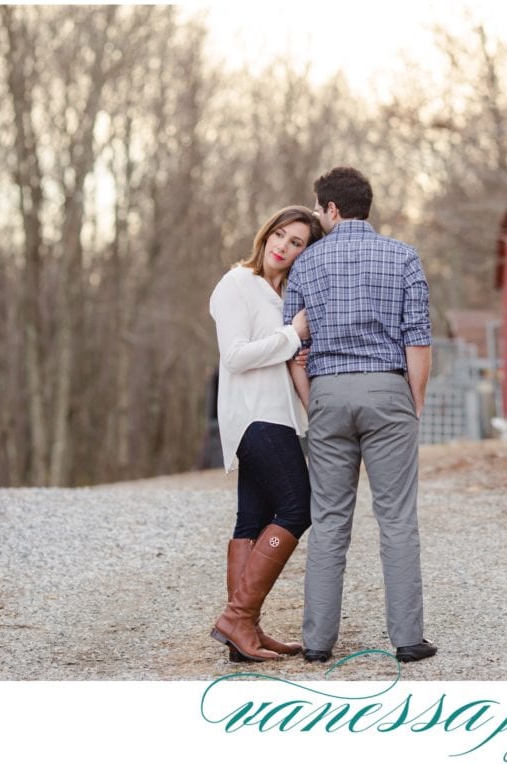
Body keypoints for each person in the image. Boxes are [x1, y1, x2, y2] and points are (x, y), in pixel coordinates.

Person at [283, 166, 437, 664]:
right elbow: (418, 339)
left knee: (328, 520)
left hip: (328, 391)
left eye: (318, 209)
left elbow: (293, 346)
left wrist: (312, 399)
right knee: (396, 517)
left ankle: (317, 643)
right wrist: (413, 401)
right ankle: (408, 640)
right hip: (388, 389)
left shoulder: (305, 266)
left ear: (331, 209)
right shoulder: (403, 257)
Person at [208, 205, 323, 662]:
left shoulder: (285, 296)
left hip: (278, 416)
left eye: (297, 243)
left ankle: (244, 632)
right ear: (265, 234)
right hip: (254, 416)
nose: (284, 247)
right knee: (300, 506)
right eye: (280, 235)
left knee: (251, 522)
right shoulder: (237, 283)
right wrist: (293, 336)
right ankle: (238, 616)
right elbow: (235, 356)